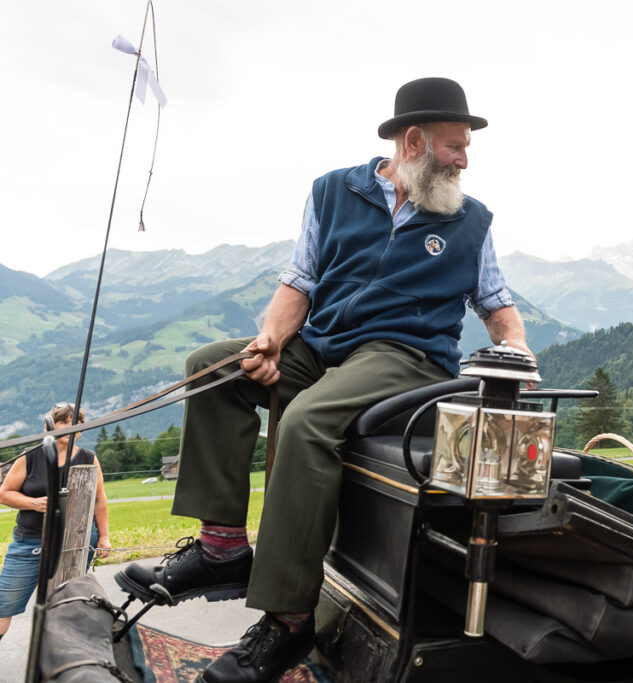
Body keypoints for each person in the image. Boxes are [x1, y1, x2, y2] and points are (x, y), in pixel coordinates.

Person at [116, 77, 530, 682]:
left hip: (405, 354)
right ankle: (223, 549)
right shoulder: (332, 192)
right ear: (413, 141)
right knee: (210, 368)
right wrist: (270, 340)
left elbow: (497, 307)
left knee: (309, 419)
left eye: (467, 146)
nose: (465, 159)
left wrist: (515, 349)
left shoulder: (471, 220)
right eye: (454, 146)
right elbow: (299, 281)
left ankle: (287, 620)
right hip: (323, 344)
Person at [0, 403, 111, 643]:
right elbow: (4, 493)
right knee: (4, 604)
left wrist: (104, 536)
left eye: (77, 422)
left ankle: (60, 658)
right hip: (29, 541)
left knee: (64, 603)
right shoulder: (31, 456)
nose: (72, 427)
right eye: (64, 422)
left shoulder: (88, 458)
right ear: (50, 426)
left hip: (75, 540)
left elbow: (100, 500)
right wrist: (34, 503)